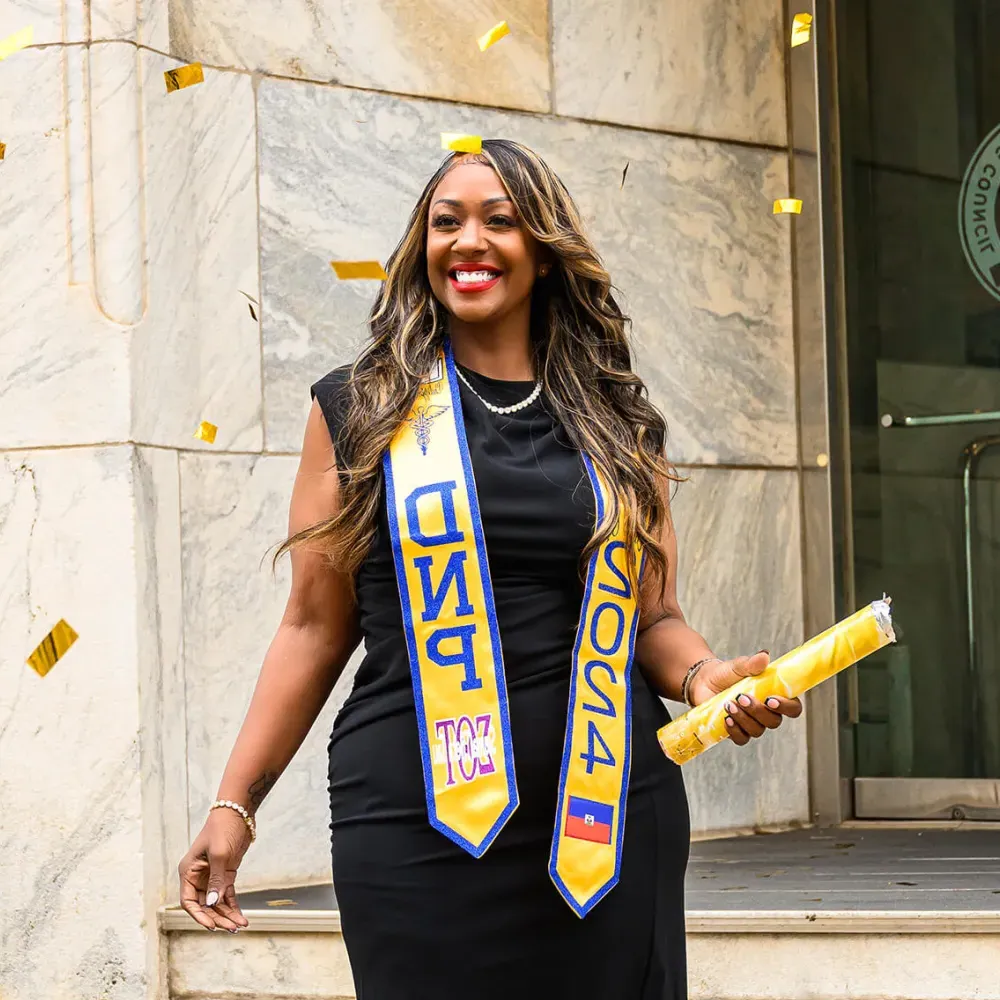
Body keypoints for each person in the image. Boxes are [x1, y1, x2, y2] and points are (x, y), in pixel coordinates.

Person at [177, 139, 802, 999]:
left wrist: (705, 678)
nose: (469, 240)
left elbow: (654, 618)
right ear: (421, 248)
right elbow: (315, 626)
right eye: (447, 222)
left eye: (500, 221)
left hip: (603, 814)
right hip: (414, 819)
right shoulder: (360, 411)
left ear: (544, 252)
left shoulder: (619, 426)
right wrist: (234, 805)